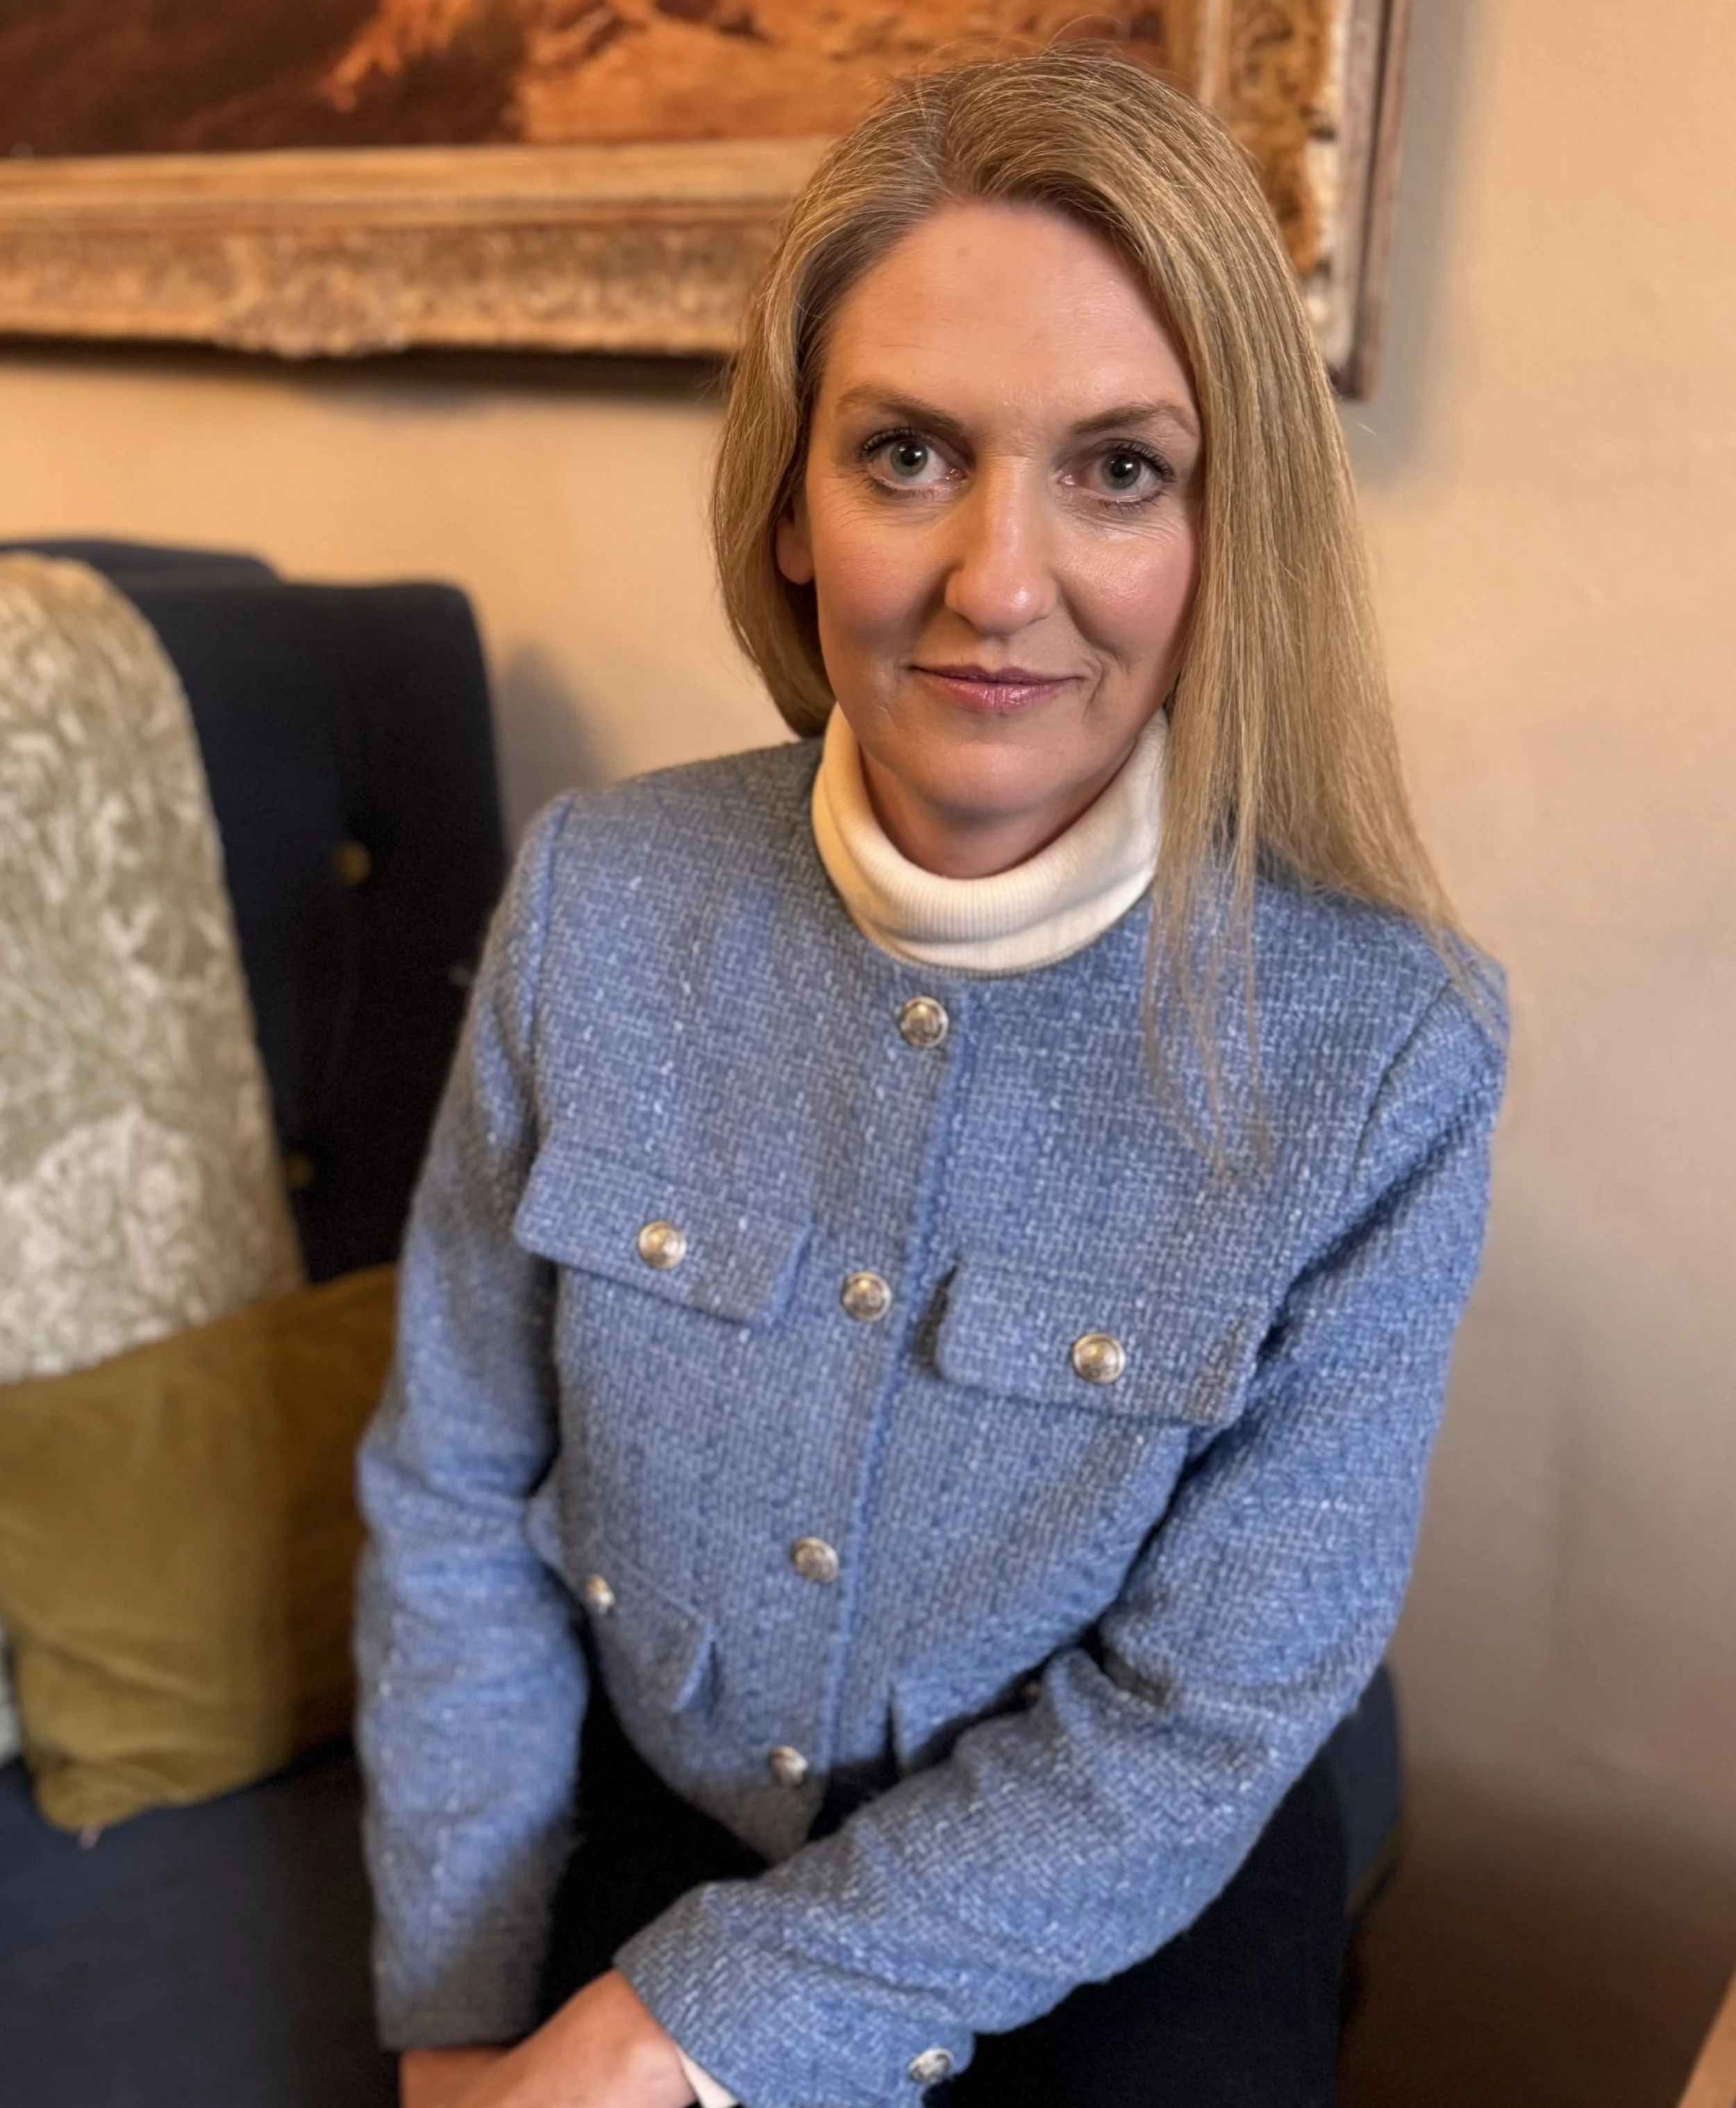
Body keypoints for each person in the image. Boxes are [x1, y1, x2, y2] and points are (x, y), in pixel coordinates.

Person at [354, 46, 1507, 2108]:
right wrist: (457, 2016)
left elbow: (1202, 1710)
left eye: (1118, 468)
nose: (996, 578)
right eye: (905, 455)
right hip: (645, 1810)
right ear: (789, 506)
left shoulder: (1384, 1053)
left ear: (1221, 534)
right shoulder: (594, 899)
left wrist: (678, 2026)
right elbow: (449, 1490)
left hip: (1108, 1891)